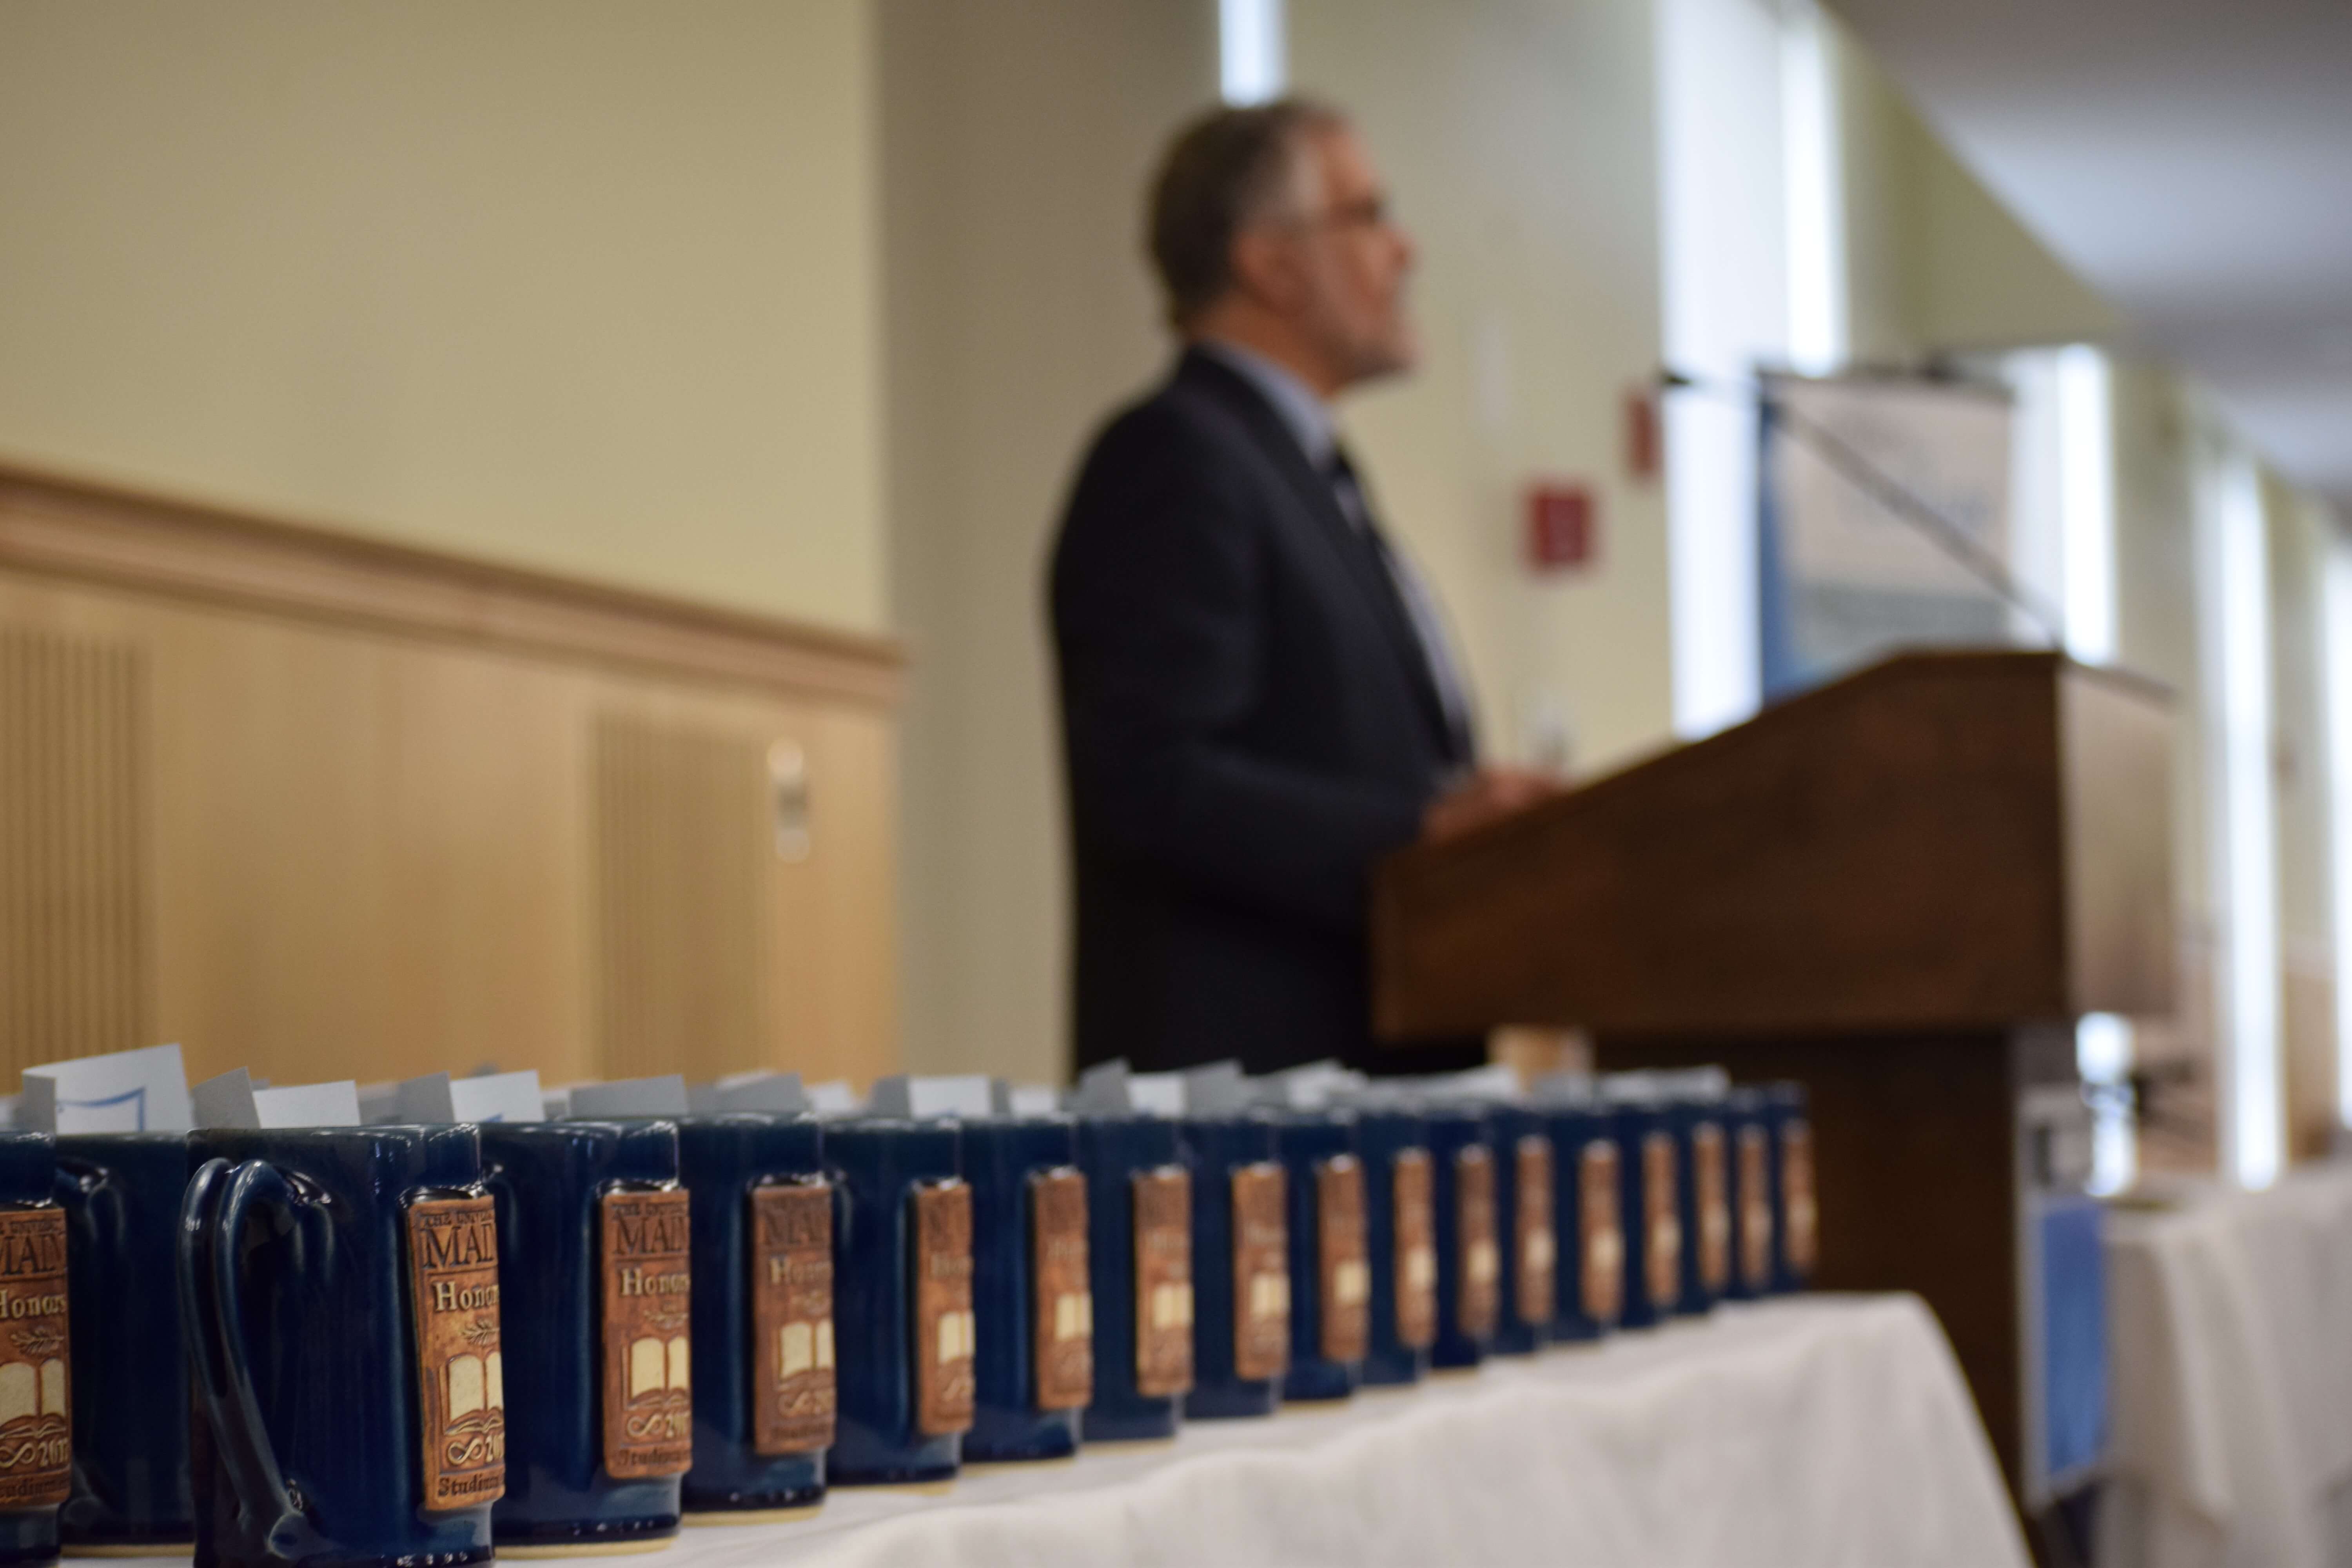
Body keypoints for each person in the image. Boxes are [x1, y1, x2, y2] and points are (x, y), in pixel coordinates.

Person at [1049, 97, 1553, 1079]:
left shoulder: (1301, 468)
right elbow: (1151, 777)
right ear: (1269, 262)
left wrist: (1455, 805)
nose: (1403, 251)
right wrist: (1421, 830)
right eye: (1368, 215)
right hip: (1248, 1105)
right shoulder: (1177, 454)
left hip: (1362, 1088)